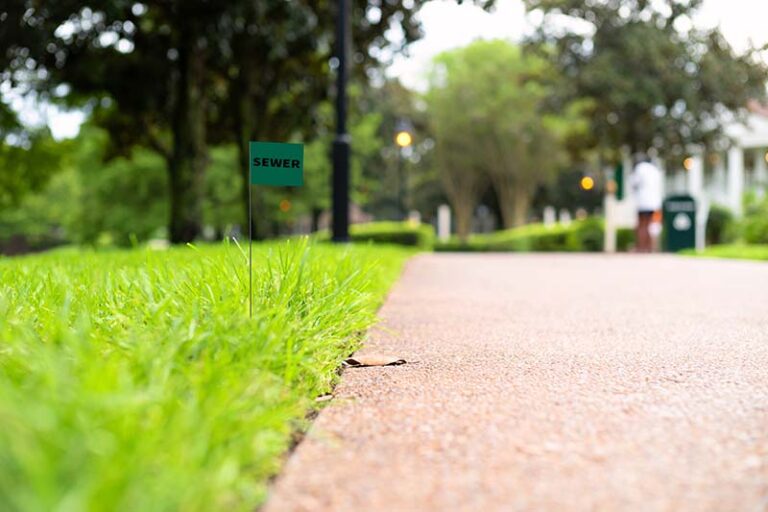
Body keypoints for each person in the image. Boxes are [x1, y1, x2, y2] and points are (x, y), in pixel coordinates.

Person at [630, 154, 663, 253]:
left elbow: (634, 183)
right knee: (652, 225)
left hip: (643, 202)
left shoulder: (640, 168)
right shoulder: (655, 170)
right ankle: (650, 247)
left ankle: (641, 247)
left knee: (642, 225)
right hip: (655, 202)